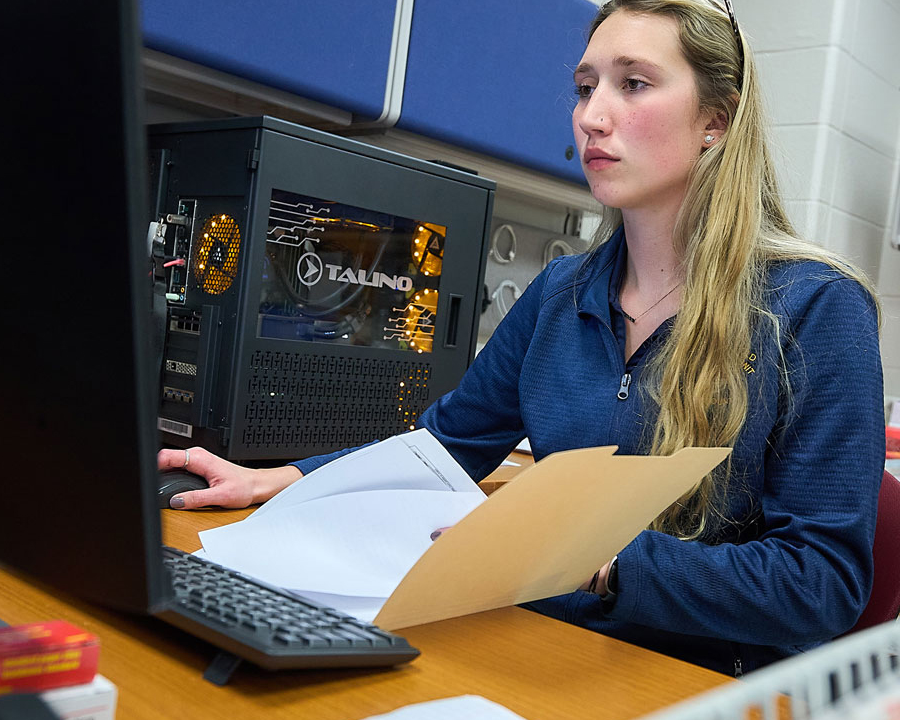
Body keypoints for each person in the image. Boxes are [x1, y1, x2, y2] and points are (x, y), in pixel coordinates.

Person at [159, 0, 885, 676]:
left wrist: (601, 560)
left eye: (634, 85)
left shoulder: (815, 308)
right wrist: (280, 481)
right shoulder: (560, 294)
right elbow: (444, 448)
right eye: (585, 87)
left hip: (686, 680)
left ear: (715, 121)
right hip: (541, 644)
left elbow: (819, 583)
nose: (592, 117)